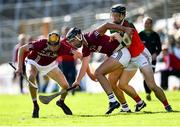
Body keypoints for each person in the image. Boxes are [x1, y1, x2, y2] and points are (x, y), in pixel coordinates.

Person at [108, 4, 172, 112]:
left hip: (141, 55)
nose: (114, 17)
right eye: (113, 15)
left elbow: (127, 43)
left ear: (123, 15)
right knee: (122, 85)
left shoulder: (129, 25)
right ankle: (140, 102)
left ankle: (167, 106)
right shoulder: (112, 26)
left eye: (117, 15)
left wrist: (114, 49)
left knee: (151, 85)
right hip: (130, 58)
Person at [66, 23, 134, 114]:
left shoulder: (92, 35)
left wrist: (125, 29)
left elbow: (106, 25)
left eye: (73, 40)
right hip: (116, 55)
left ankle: (113, 101)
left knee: (98, 73)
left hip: (121, 52)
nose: (73, 43)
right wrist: (77, 80)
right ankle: (125, 107)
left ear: (78, 36)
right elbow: (84, 65)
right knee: (110, 82)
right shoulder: (85, 48)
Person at [16, 31, 83, 118]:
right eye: (51, 45)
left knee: (65, 86)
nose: (53, 47)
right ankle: (35, 105)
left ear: (59, 43)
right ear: (47, 42)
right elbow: (21, 49)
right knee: (31, 77)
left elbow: (79, 55)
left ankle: (61, 102)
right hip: (33, 62)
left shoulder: (63, 47)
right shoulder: (40, 43)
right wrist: (19, 67)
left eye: (55, 45)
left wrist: (82, 73)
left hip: (49, 65)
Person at [139, 17, 162, 101]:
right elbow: (137, 47)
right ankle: (148, 92)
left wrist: (156, 54)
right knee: (145, 76)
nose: (147, 24)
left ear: (151, 24)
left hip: (152, 59)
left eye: (149, 23)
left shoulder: (155, 35)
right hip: (142, 59)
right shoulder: (140, 34)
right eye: (146, 23)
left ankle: (150, 91)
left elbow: (159, 48)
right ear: (143, 24)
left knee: (150, 76)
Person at [57, 26, 77, 95]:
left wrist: (76, 59)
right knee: (65, 77)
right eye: (65, 30)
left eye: (68, 30)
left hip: (71, 61)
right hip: (63, 62)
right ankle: (66, 91)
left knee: (73, 76)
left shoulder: (72, 40)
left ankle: (73, 90)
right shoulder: (61, 41)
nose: (66, 32)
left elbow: (75, 51)